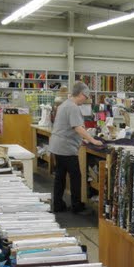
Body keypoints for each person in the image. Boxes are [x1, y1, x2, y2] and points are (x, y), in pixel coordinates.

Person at [49, 81, 103, 214]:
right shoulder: (73, 107)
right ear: (80, 94)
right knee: (76, 177)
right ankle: (77, 206)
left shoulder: (64, 104)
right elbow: (77, 127)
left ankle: (58, 204)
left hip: (57, 145)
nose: (86, 100)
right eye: (85, 97)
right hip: (65, 147)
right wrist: (92, 140)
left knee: (60, 176)